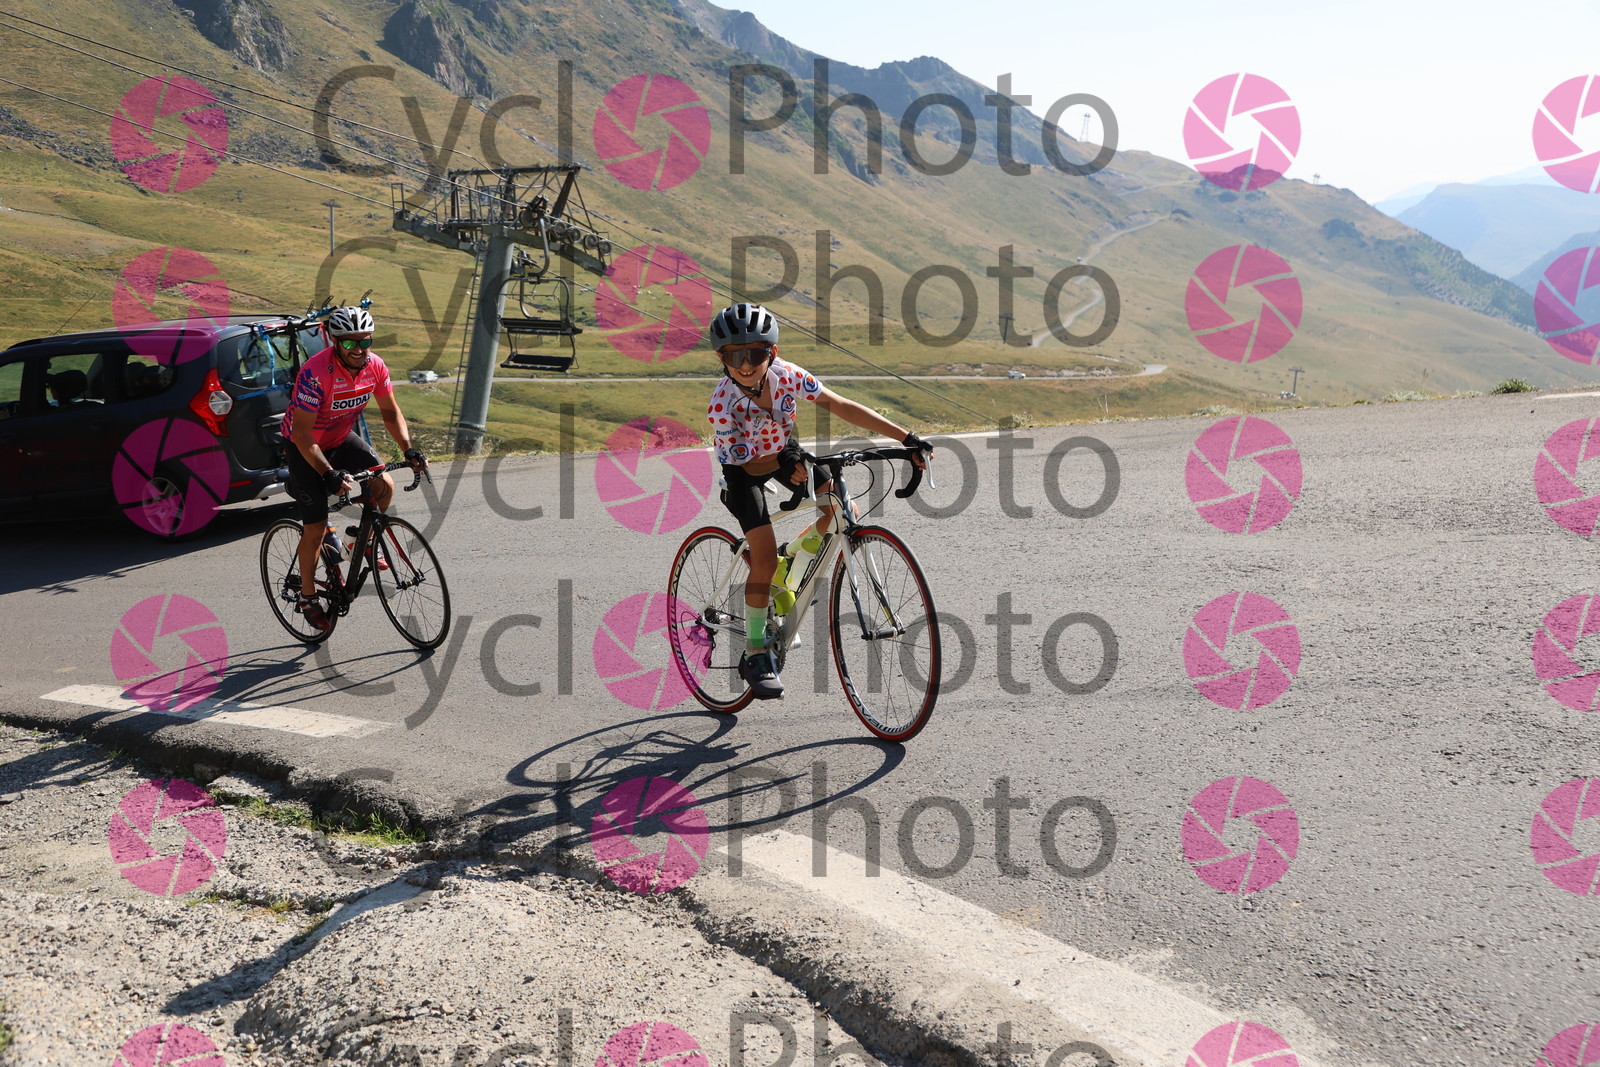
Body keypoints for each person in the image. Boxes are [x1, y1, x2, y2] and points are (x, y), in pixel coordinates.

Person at [706, 302, 930, 700]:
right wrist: (787, 462)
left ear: (772, 353)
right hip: (743, 470)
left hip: (784, 451)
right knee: (762, 559)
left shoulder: (787, 374)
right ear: (722, 358)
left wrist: (905, 438)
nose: (745, 365)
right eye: (734, 357)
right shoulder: (723, 403)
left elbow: (839, 404)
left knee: (844, 510)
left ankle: (790, 560)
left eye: (754, 354)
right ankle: (755, 651)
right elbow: (751, 465)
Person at [281, 306, 427, 631]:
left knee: (383, 485)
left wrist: (408, 448)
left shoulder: (375, 366)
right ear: (335, 342)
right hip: (304, 445)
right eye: (350, 343)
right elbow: (302, 433)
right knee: (316, 527)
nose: (359, 349)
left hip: (340, 437)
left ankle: (358, 541)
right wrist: (327, 472)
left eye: (365, 341)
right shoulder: (315, 373)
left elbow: (390, 412)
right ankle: (308, 596)